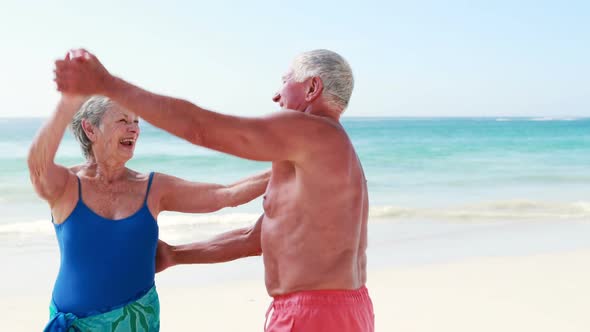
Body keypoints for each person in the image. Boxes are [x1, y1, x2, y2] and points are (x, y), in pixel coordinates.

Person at [55, 48, 374, 331]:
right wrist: (175, 255)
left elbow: (200, 126)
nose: (276, 96)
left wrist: (108, 84)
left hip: (312, 315)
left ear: (312, 87)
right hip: (342, 311)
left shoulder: (313, 131)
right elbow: (253, 239)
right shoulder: (324, 154)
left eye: (285, 81)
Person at [28, 71, 270, 331]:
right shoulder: (66, 186)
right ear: (90, 129)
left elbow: (224, 194)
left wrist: (286, 168)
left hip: (138, 320)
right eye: (123, 120)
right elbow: (38, 165)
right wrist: (69, 100)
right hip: (76, 325)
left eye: (136, 121)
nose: (133, 128)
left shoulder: (152, 187)